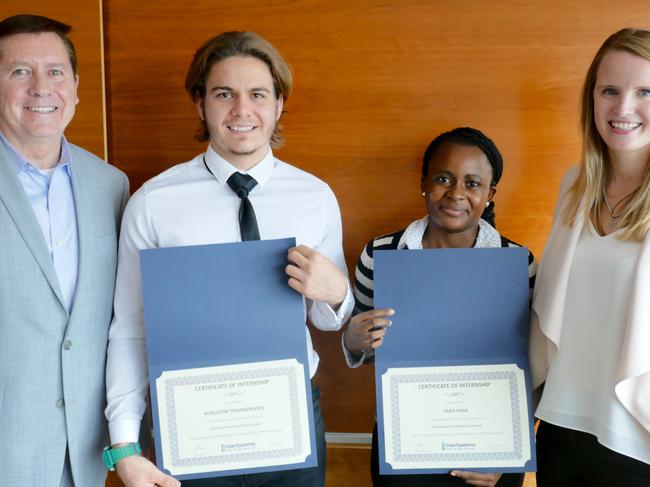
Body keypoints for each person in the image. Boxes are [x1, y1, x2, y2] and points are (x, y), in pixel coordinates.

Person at [104, 31, 354, 487]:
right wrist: (123, 444)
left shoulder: (315, 198)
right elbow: (131, 329)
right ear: (200, 104)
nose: (242, 110)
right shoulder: (154, 202)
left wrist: (339, 294)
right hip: (191, 421)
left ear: (279, 104)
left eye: (257, 94)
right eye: (225, 94)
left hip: (290, 417)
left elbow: (327, 319)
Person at [343, 127, 536, 487]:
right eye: (444, 178)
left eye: (473, 183)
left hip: (491, 451)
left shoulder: (517, 263)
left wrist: (511, 453)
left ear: (490, 194)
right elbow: (369, 349)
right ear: (424, 183)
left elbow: (531, 364)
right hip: (405, 442)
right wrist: (354, 342)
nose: (456, 193)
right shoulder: (379, 255)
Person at [0, 13, 129, 487]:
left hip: (85, 454)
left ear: (75, 86)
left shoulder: (110, 186)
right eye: (19, 72)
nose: (41, 87)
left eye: (54, 72)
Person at [530, 28, 650, 486]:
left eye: (644, 91)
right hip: (561, 429)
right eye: (609, 91)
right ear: (591, 100)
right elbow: (548, 313)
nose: (623, 109)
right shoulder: (574, 187)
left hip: (636, 440)